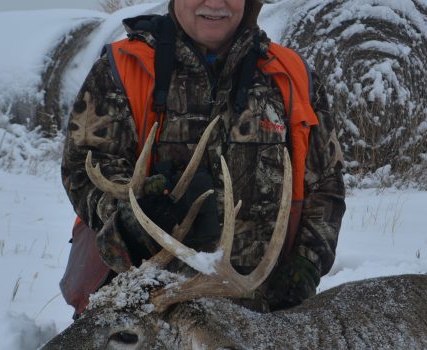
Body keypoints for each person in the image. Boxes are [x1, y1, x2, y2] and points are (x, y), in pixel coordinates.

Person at [60, 0, 345, 316]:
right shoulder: (123, 68)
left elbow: (325, 185)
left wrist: (307, 260)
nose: (214, 3)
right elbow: (84, 169)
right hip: (144, 314)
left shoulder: (293, 77)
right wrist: (132, 217)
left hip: (259, 316)